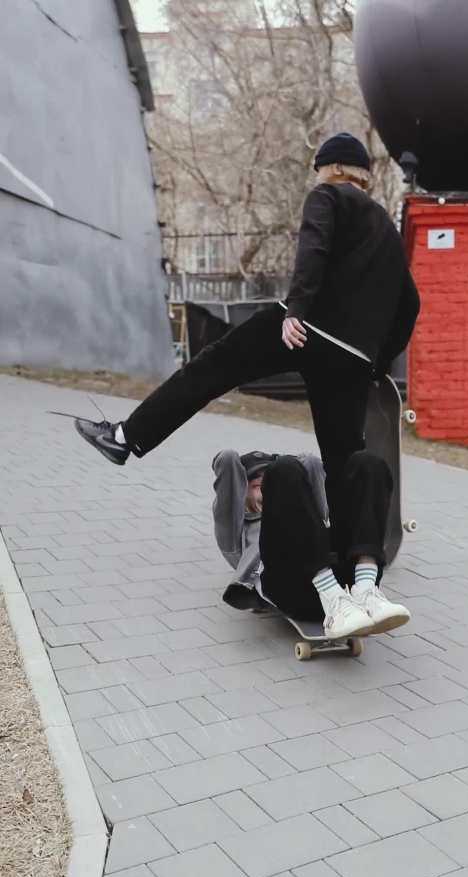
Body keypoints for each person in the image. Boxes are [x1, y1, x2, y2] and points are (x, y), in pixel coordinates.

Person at [74, 132, 420, 556]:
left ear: (331, 169)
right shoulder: (388, 231)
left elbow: (313, 249)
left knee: (212, 368)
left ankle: (125, 437)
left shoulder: (327, 196)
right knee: (343, 454)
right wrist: (376, 363)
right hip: (352, 358)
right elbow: (410, 304)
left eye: (318, 170)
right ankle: (353, 556)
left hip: (302, 328)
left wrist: (296, 310)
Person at [213, 448, 410, 640]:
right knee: (283, 469)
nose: (267, 492)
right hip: (294, 589)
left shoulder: (305, 509)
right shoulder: (237, 531)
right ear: (242, 493)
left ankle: (367, 590)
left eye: (269, 486)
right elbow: (227, 463)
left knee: (367, 463)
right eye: (259, 487)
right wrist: (276, 473)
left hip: (340, 578)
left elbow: (311, 462)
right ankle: (332, 599)